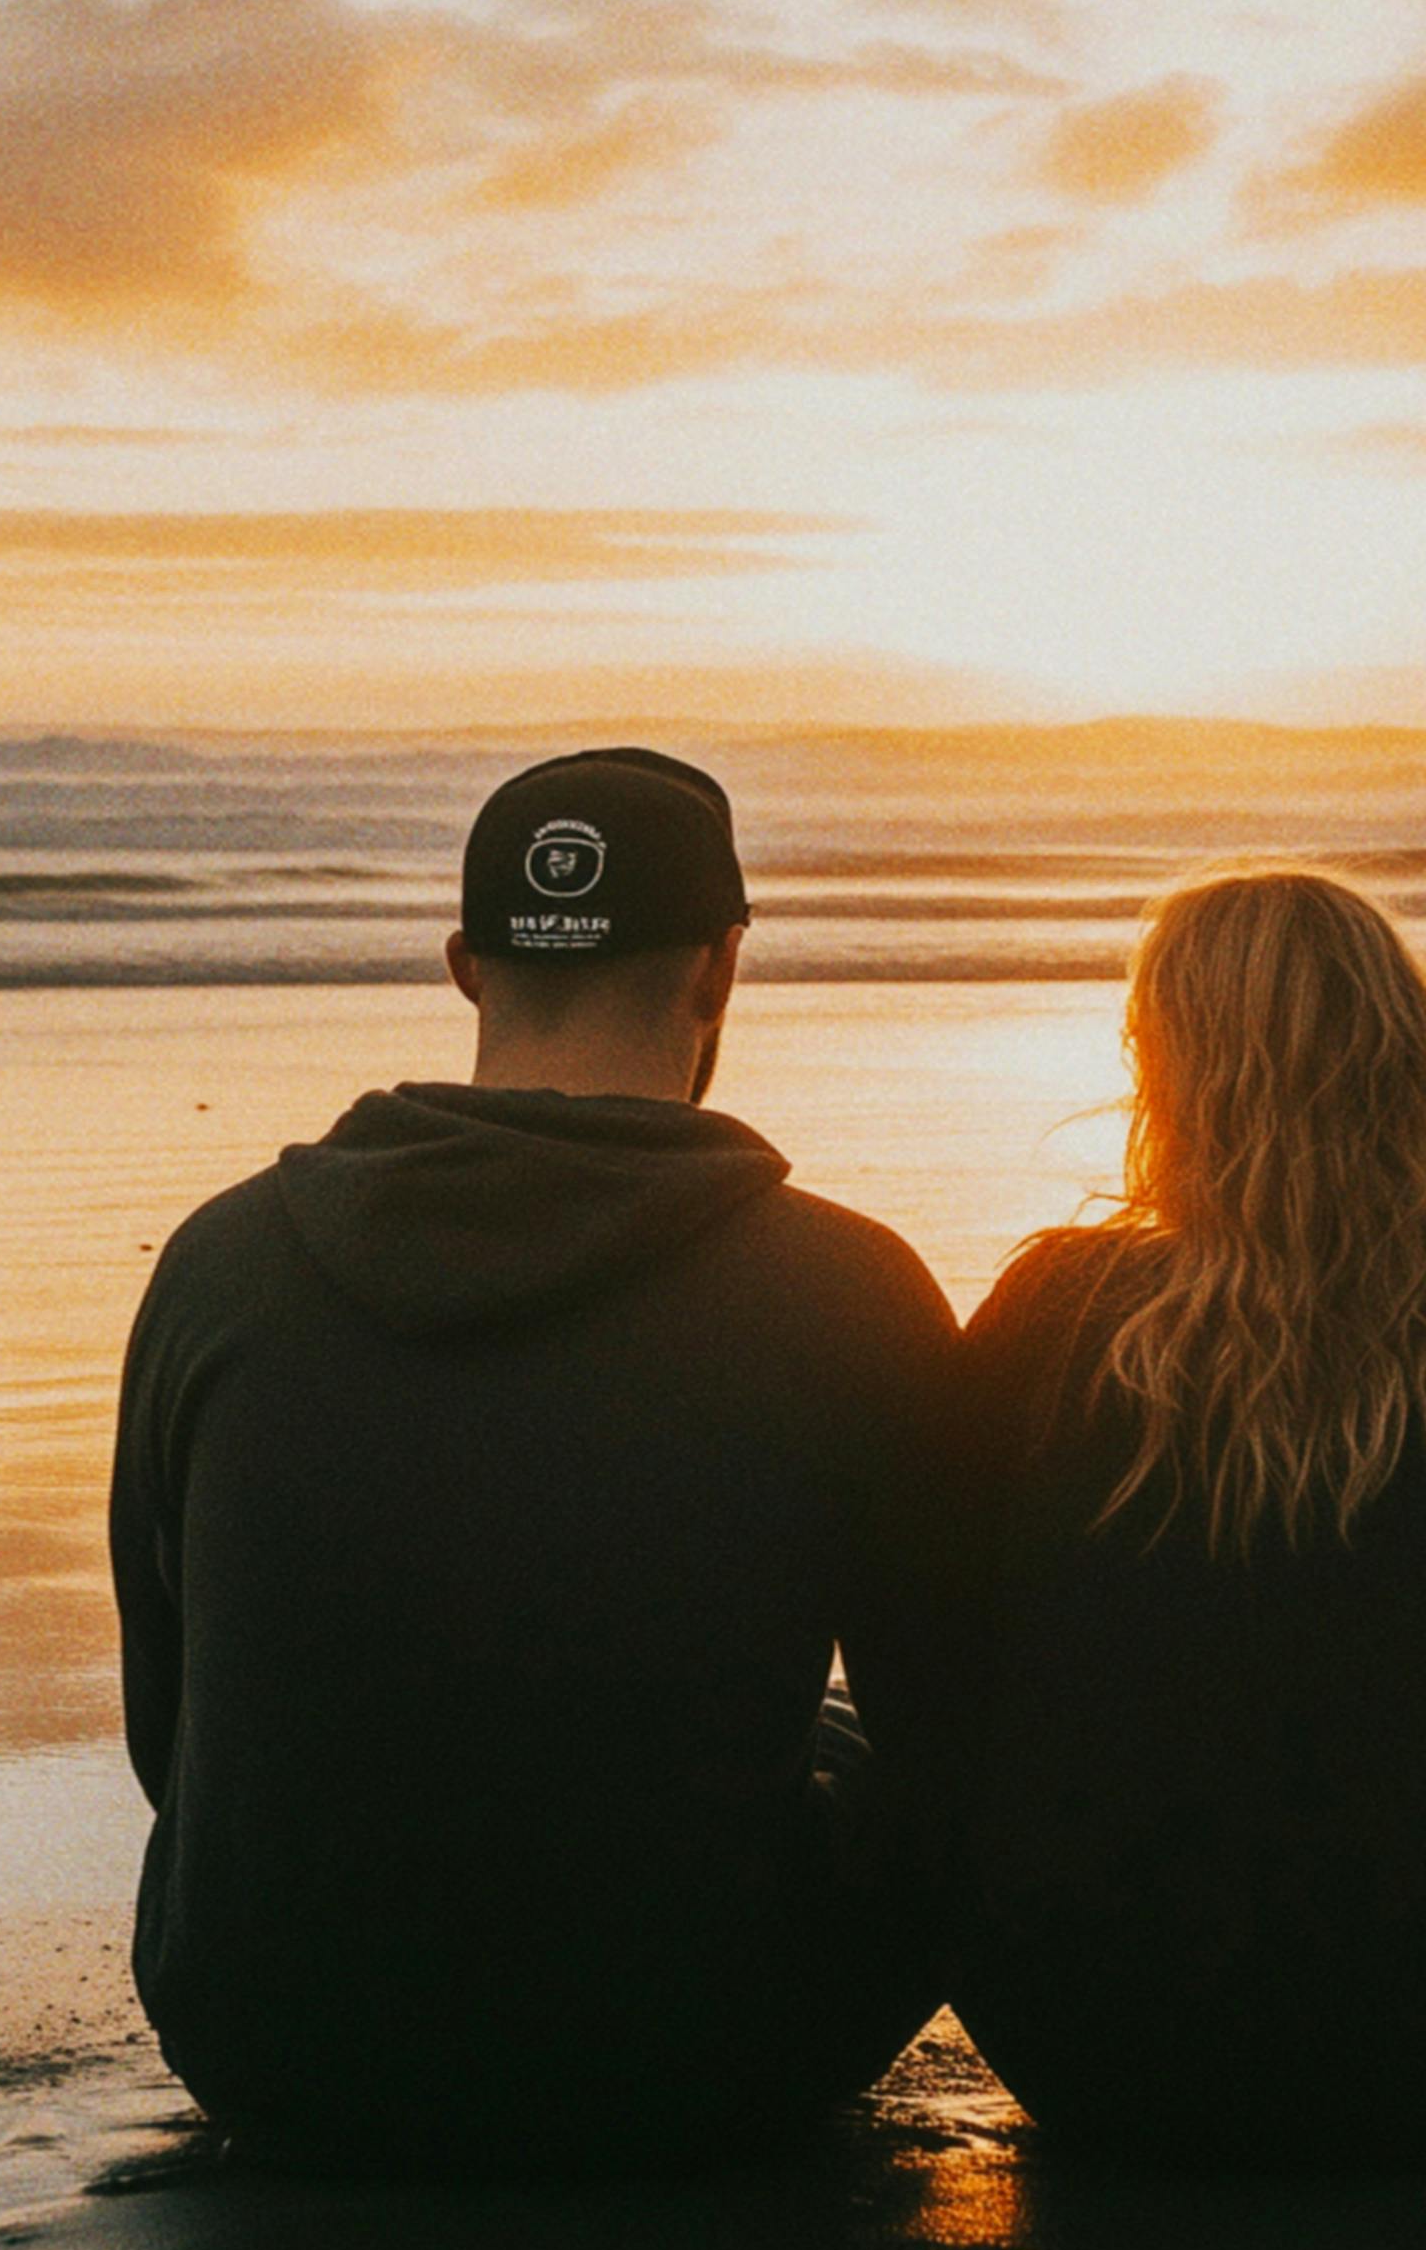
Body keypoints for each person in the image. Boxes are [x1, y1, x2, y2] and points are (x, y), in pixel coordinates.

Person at [108, 745, 959, 2173]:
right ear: (718, 967)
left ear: (464, 964)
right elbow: (953, 1731)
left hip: (269, 2043)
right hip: (698, 2067)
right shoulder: (847, 1288)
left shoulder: (222, 1261)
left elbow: (166, 1721)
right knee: (862, 1751)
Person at [942, 863, 1426, 2167]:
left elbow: (945, 1635)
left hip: (1104, 2058)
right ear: (1424, 1064)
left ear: (1167, 1079)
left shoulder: (1059, 1309)